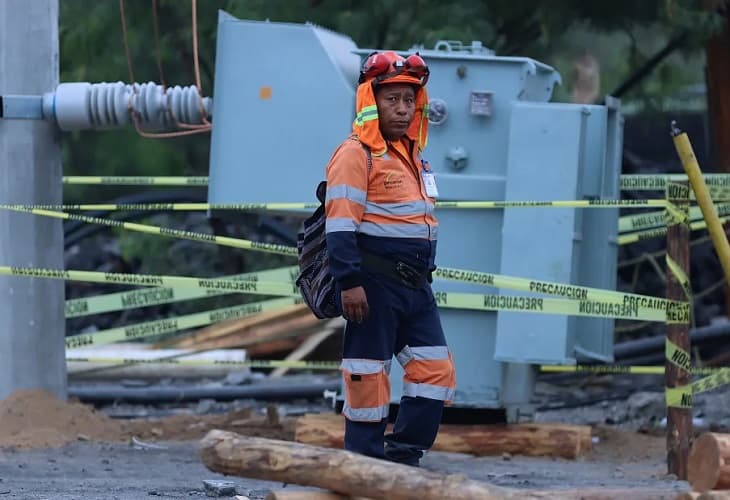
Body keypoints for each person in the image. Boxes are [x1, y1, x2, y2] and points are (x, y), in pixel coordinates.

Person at [323, 51, 456, 467]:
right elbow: (340, 225)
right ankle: (363, 465)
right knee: (367, 375)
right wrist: (349, 282)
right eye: (391, 99)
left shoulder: (411, 152)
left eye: (408, 100)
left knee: (435, 371)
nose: (401, 109)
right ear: (370, 101)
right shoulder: (355, 153)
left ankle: (401, 461)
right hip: (373, 285)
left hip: (416, 286)